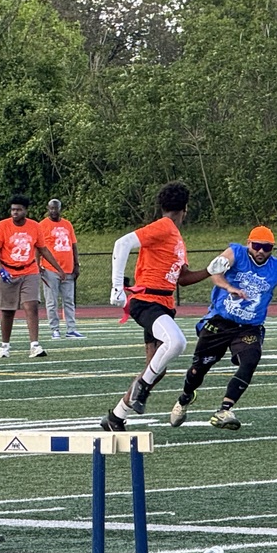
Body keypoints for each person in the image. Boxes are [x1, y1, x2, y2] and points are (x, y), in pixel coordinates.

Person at [169, 226, 277, 431]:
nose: (261, 251)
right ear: (248, 243)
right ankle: (185, 398)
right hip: (220, 321)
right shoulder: (235, 253)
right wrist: (229, 287)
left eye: (267, 247)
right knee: (198, 370)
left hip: (249, 327)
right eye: (257, 246)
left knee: (250, 360)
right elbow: (215, 271)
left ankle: (225, 409)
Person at [102, 181, 217, 432]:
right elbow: (122, 244)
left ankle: (115, 417)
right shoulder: (164, 226)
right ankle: (141, 389)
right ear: (185, 209)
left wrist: (210, 270)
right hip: (147, 301)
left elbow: (182, 279)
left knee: (156, 369)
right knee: (177, 342)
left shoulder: (175, 236)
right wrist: (116, 287)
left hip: (163, 303)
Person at [0, 194, 66, 359]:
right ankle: (5, 346)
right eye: (13, 210)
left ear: (25, 211)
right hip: (7, 271)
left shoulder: (35, 226)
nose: (15, 213)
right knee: (7, 311)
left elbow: (43, 249)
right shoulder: (1, 226)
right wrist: (1, 269)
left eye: (18, 210)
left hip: (29, 270)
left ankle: (34, 345)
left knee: (32, 306)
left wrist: (58, 269)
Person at [37, 198, 83, 339]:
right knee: (52, 301)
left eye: (56, 208)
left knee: (69, 300)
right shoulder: (42, 225)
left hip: (68, 268)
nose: (54, 211)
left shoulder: (67, 224)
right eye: (51, 208)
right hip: (50, 269)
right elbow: (38, 247)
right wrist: (38, 264)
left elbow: (73, 245)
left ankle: (71, 329)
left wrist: (76, 264)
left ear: (60, 209)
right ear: (48, 209)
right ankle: (55, 329)